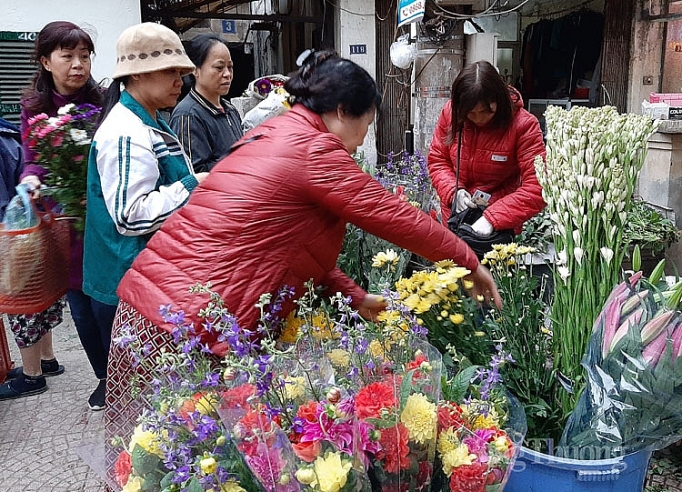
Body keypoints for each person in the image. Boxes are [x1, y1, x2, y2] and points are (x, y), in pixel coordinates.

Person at [104, 50, 501, 457]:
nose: (364, 138)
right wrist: (467, 261)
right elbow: (391, 214)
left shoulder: (274, 134)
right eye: (367, 124)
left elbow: (284, 249)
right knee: (168, 463)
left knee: (163, 460)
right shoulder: (312, 150)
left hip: (157, 316)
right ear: (344, 111)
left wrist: (354, 296)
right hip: (183, 328)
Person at [82, 21, 208, 409]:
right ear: (136, 73)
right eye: (170, 71)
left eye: (182, 72)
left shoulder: (149, 120)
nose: (180, 81)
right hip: (128, 284)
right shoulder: (125, 131)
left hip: (146, 279)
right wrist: (192, 185)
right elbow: (131, 216)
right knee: (145, 406)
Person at [0, 21, 105, 407]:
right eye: (68, 56)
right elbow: (32, 161)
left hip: (101, 218)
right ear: (46, 61)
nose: (78, 64)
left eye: (84, 56)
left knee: (104, 303)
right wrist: (29, 182)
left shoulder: (104, 102)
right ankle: (103, 376)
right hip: (64, 224)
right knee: (78, 304)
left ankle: (118, 374)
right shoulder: (35, 109)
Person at [428, 59, 546, 256]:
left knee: (495, 284)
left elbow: (539, 186)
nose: (478, 118)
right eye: (470, 113)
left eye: (485, 111)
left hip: (498, 227)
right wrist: (453, 191)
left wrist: (494, 217)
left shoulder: (524, 125)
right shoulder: (451, 113)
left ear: (498, 100)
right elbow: (438, 159)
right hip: (457, 219)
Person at [170, 34, 243, 173]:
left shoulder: (230, 110)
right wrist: (239, 160)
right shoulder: (188, 115)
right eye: (219, 68)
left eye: (230, 67)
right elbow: (194, 173)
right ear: (195, 70)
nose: (227, 74)